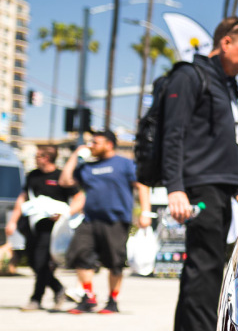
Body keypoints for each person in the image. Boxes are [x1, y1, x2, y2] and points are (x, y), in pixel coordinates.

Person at [163, 15, 238, 331]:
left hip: (223, 186)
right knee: (202, 268)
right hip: (198, 185)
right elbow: (174, 134)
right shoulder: (191, 76)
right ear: (226, 43)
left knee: (211, 269)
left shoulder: (228, 85)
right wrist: (175, 187)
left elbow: (229, 144)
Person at [59, 130, 152, 314]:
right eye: (91, 142)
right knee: (80, 254)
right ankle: (88, 297)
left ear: (109, 144)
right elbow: (65, 181)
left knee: (114, 262)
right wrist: (75, 156)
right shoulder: (87, 166)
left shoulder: (124, 164)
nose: (91, 145)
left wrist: (146, 212)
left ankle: (113, 301)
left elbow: (142, 186)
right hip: (90, 220)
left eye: (96, 142)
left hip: (116, 220)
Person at [5, 145, 81, 311]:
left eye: (38, 156)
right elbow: (22, 198)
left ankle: (36, 299)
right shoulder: (33, 175)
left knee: (42, 262)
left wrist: (65, 214)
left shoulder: (61, 176)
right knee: (33, 261)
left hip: (52, 228)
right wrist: (13, 221)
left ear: (46, 158)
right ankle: (58, 288)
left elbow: (78, 197)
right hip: (32, 225)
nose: (36, 158)